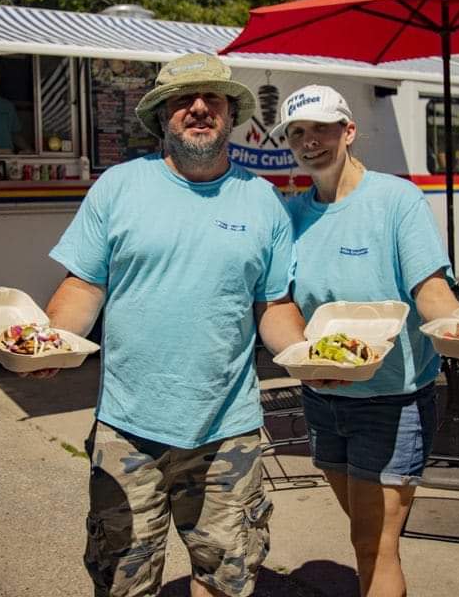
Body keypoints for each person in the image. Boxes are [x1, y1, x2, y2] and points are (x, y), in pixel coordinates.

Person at [40, 53, 307, 597]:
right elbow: (83, 287)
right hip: (126, 431)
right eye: (184, 99)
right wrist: (48, 346)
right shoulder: (118, 188)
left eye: (213, 98)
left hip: (227, 433)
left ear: (232, 113)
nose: (200, 107)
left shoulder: (262, 200)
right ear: (164, 115)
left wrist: (309, 359)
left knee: (226, 578)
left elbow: (273, 306)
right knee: (123, 580)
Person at [273, 85, 459, 597]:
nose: (310, 142)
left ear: (348, 131)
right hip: (322, 396)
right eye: (297, 133)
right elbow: (279, 302)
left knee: (372, 545)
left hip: (391, 402)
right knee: (370, 541)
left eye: (321, 129)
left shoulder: (396, 199)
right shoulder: (291, 215)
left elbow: (432, 292)